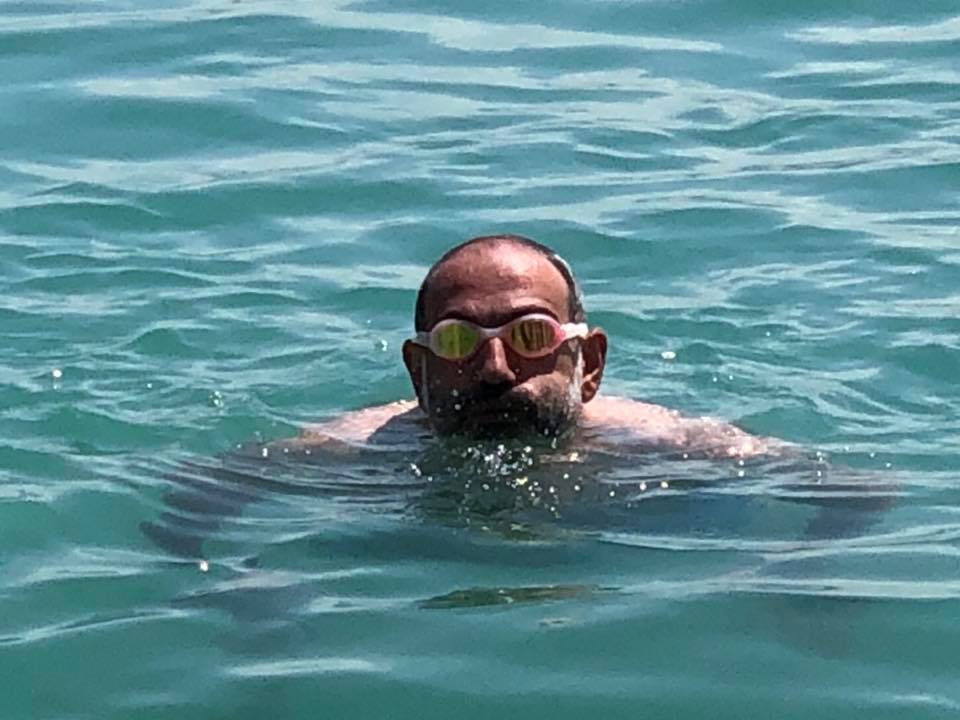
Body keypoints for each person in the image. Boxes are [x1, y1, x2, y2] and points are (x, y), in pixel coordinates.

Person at [285, 234, 775, 458]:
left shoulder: (671, 447)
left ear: (590, 365)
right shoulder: (349, 453)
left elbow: (816, 488)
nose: (495, 369)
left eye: (531, 335)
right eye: (458, 340)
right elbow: (231, 497)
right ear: (419, 372)